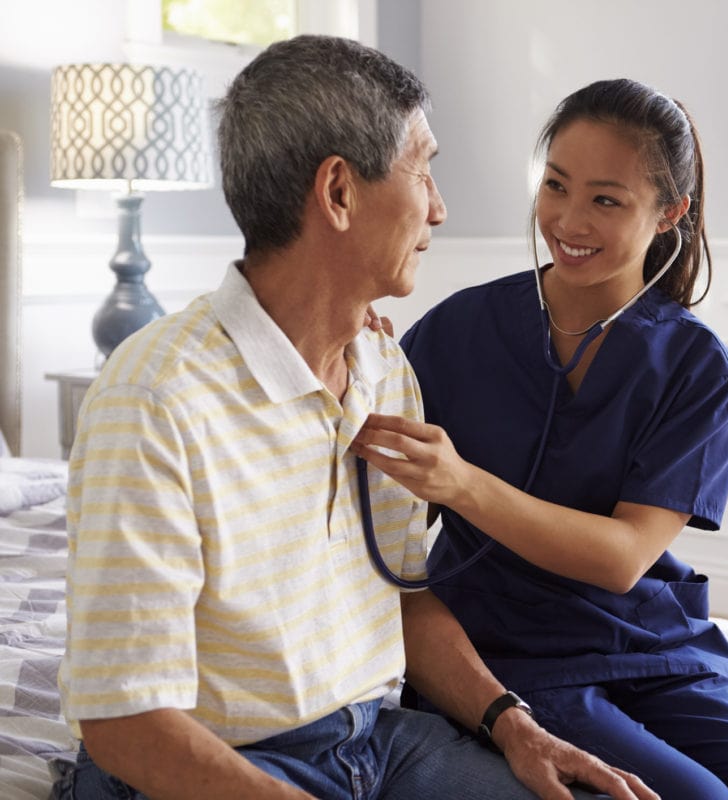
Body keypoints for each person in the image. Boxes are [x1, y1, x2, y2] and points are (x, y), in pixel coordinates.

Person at [54, 37, 657, 800]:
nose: (439, 207)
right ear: (339, 192)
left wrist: (513, 724)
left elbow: (399, 596)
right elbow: (123, 723)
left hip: (374, 741)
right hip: (219, 765)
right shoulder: (155, 398)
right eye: (423, 170)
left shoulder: (384, 370)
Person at [352, 79, 728, 799]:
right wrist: (358, 362)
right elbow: (378, 505)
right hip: (507, 649)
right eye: (555, 185)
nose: (567, 219)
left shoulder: (699, 368)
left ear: (670, 213)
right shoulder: (460, 331)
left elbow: (622, 559)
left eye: (606, 200)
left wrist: (464, 484)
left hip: (649, 646)